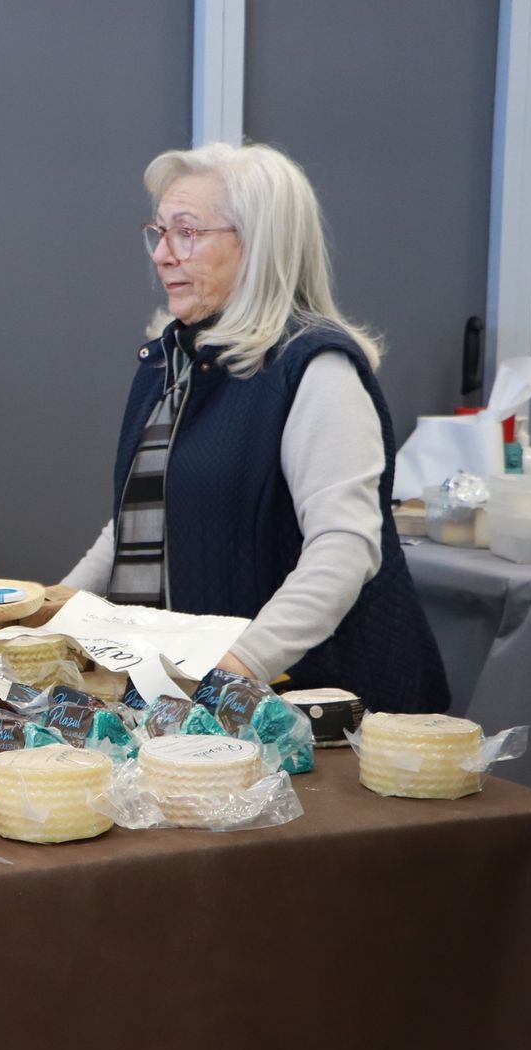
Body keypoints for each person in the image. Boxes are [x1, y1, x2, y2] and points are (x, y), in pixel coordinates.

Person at [63, 141, 448, 713]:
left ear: (259, 245)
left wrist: (236, 669)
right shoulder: (174, 360)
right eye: (160, 231)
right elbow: (140, 522)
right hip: (187, 701)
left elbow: (343, 551)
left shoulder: (315, 369)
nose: (163, 254)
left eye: (187, 232)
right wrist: (52, 616)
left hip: (311, 715)